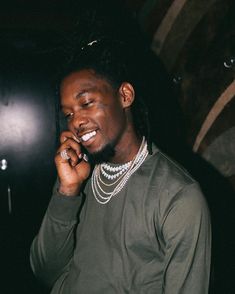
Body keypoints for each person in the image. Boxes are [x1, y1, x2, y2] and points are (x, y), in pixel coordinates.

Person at [30, 38, 211, 293]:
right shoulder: (78, 176)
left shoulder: (178, 196)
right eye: (69, 113)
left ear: (125, 96)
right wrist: (67, 191)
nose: (76, 121)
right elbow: (45, 271)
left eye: (86, 103)